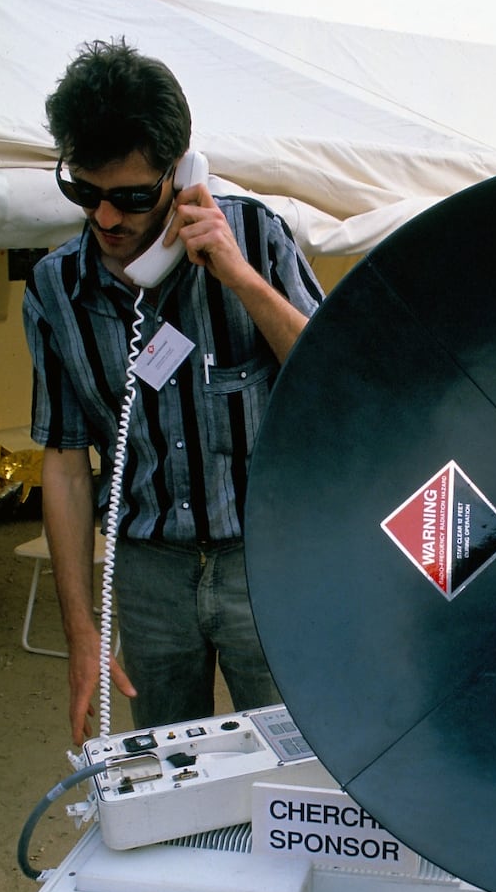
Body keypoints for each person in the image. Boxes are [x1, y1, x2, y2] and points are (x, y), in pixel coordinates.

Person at [24, 39, 324, 745]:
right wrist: (82, 632)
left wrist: (240, 278)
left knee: (291, 756)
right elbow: (64, 465)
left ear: (182, 172)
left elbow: (333, 379)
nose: (106, 219)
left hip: (265, 559)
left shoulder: (257, 235)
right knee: (169, 768)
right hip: (147, 570)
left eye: (132, 197)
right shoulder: (56, 289)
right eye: (85, 192)